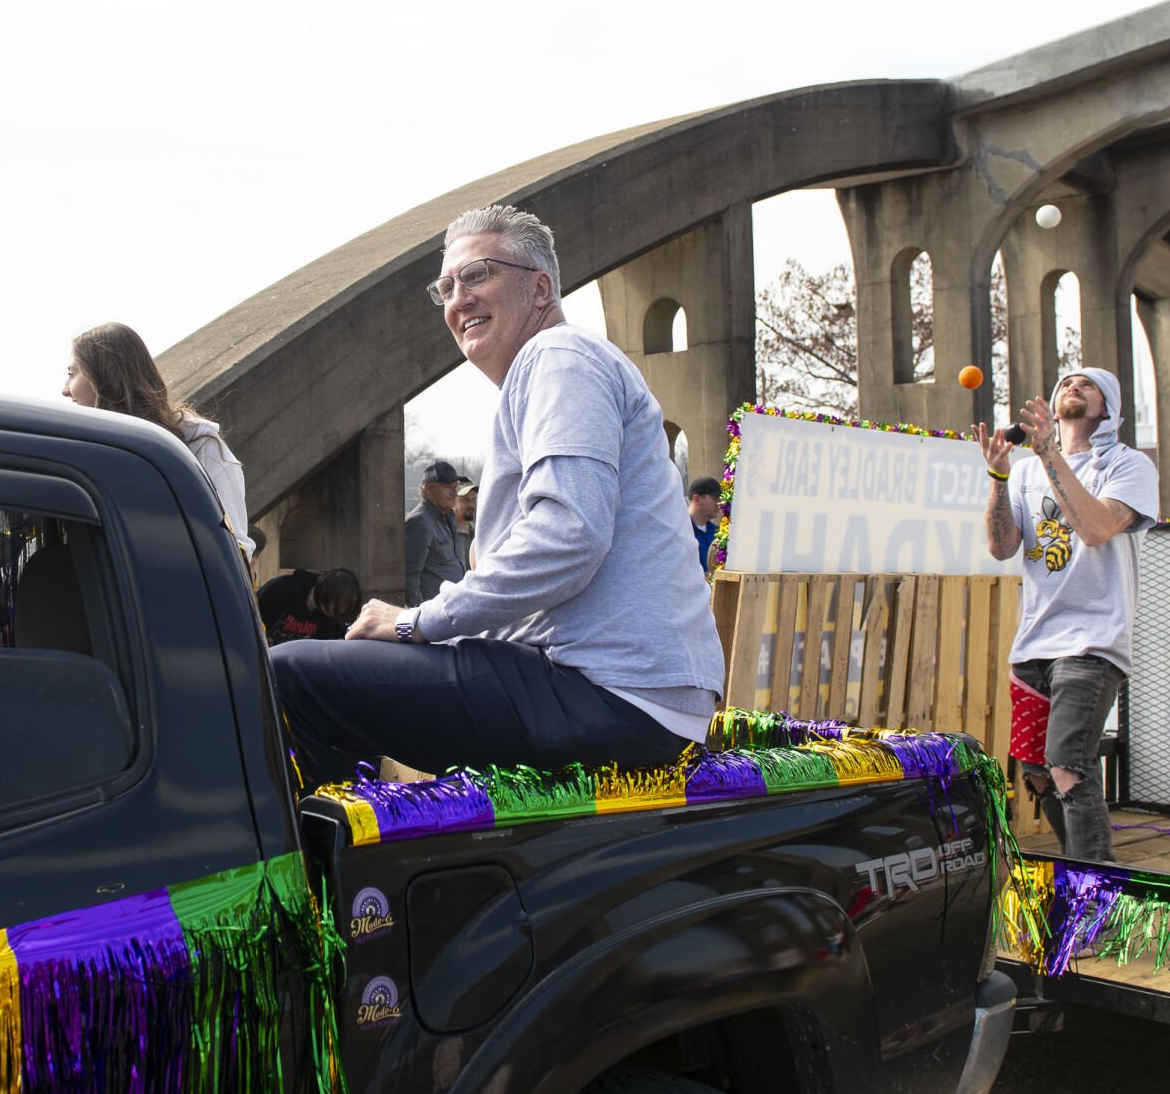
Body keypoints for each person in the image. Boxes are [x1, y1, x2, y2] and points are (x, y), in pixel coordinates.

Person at [270, 204, 724, 779]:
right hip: (625, 691)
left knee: (290, 675)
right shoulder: (555, 368)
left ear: (540, 288)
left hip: (612, 695)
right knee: (359, 668)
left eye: (478, 274)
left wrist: (417, 621)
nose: (457, 299)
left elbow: (569, 537)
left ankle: (330, 864)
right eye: (445, 286)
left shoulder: (558, 355)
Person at [974, 366, 1159, 861]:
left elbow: (1098, 528)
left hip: (1092, 639)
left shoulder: (1127, 465)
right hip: (1035, 640)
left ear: (1108, 408)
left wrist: (1050, 453)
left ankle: (1096, 890)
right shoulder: (1029, 470)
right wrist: (998, 476)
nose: (1073, 387)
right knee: (1036, 769)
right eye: (1065, 384)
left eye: (1088, 384)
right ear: (1053, 406)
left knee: (1067, 764)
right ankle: (1079, 864)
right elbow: (1001, 546)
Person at [65, 322, 255, 563]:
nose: (65, 390)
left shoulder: (198, 445)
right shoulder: (81, 452)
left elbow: (235, 550)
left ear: (104, 376)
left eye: (72, 374)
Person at [404, 460, 468, 605]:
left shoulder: (451, 518)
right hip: (435, 619)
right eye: (446, 487)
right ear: (428, 489)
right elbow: (409, 579)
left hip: (456, 613)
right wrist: (420, 619)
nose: (453, 492)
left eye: (455, 486)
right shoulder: (419, 522)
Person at [258, 567, 361, 645]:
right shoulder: (282, 590)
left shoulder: (333, 620)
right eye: (340, 604)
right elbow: (254, 619)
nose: (341, 611)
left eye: (346, 607)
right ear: (327, 593)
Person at [686, 476, 723, 574]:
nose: (719, 504)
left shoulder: (718, 533)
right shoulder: (680, 531)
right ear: (697, 499)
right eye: (715, 499)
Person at [454, 477, 479, 570]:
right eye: (465, 500)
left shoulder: (477, 533)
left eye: (473, 499)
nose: (471, 505)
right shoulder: (445, 535)